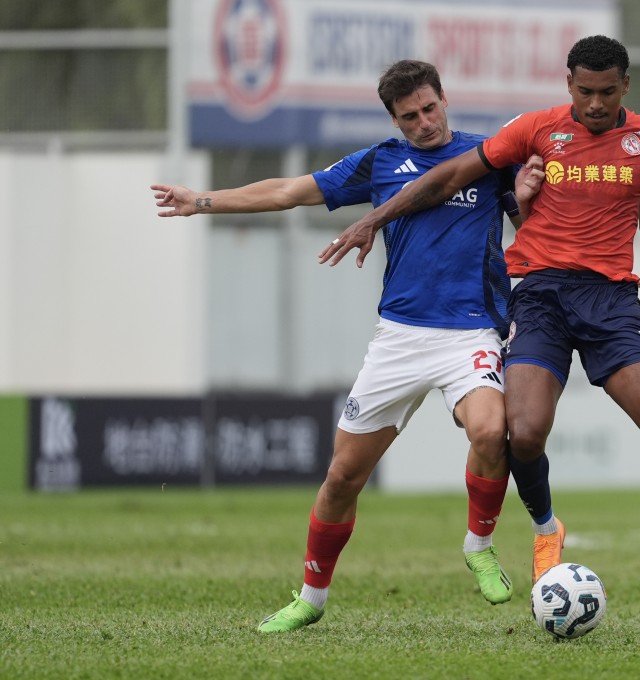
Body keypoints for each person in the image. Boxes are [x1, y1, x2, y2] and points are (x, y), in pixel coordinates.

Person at [319, 36, 640, 608]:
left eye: (608, 92)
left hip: (610, 301)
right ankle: (545, 531)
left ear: (625, 86)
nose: (597, 103)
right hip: (540, 298)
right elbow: (448, 178)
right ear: (569, 86)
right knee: (524, 432)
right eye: (586, 92)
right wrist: (374, 219)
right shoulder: (534, 130)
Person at [151, 59, 545, 632]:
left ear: (443, 99)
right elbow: (288, 190)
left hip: (471, 332)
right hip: (399, 339)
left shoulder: (487, 157)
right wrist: (202, 201)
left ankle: (478, 544)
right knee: (341, 478)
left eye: (430, 108)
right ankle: (311, 598)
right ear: (394, 118)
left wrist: (529, 197)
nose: (425, 123)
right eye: (410, 116)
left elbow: (531, 229)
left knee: (490, 430)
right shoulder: (380, 162)